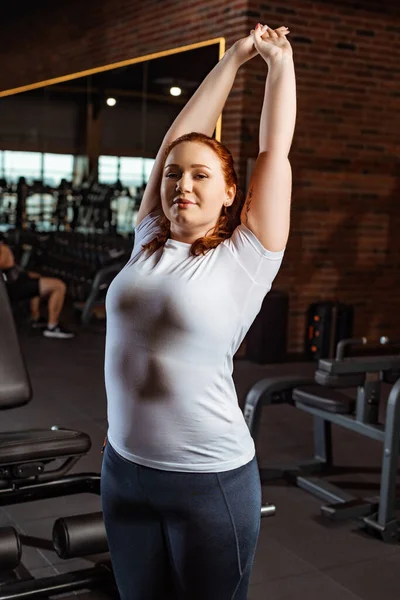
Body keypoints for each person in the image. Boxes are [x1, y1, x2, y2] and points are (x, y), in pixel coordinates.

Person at [101, 22, 296, 600]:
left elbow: (273, 152)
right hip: (124, 470)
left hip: (208, 480)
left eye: (201, 175)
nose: (182, 182)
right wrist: (232, 59)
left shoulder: (245, 258)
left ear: (230, 193)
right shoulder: (147, 240)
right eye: (173, 174)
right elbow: (177, 137)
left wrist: (277, 65)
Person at [0, 238, 75, 338]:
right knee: (59, 286)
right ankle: (52, 326)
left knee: (36, 276)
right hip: (10, 287)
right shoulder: (4, 249)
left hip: (13, 280)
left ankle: (35, 317)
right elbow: (8, 263)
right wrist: (5, 251)